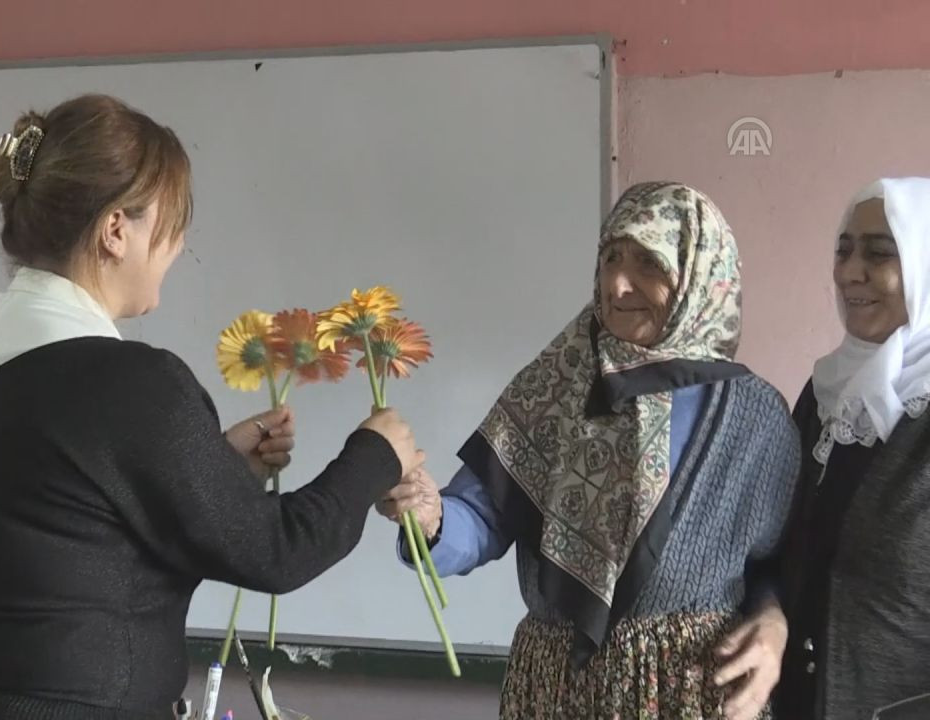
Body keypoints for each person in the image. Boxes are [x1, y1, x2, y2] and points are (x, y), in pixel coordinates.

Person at [0, 94, 422, 720]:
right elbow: (276, 551)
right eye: (169, 225)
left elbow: (72, 526)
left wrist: (214, 466)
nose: (176, 247)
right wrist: (376, 455)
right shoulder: (129, 383)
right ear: (116, 230)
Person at [379, 182, 800, 720]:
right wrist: (430, 517)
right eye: (610, 259)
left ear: (697, 274)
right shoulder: (556, 384)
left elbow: (776, 564)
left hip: (690, 690)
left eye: (648, 263)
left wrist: (774, 617)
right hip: (557, 688)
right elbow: (483, 514)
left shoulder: (754, 416)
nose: (618, 285)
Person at [776, 177, 930, 719]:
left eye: (879, 253)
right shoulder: (825, 395)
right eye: (843, 251)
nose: (849, 272)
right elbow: (781, 543)